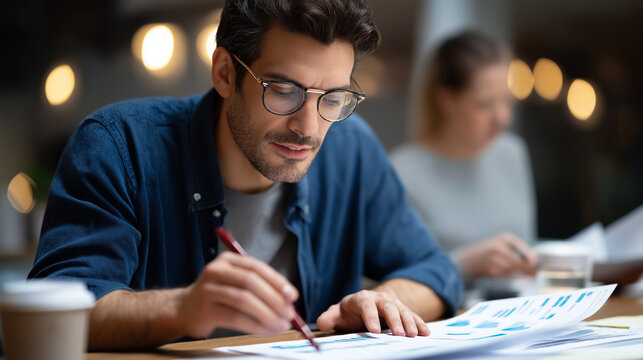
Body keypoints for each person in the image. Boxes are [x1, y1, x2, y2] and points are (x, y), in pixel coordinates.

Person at [29, 0, 462, 351]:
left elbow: (434, 270)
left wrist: (384, 301)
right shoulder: (118, 146)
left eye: (332, 98)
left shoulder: (352, 151)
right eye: (283, 91)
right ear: (224, 73)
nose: (308, 128)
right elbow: (56, 314)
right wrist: (183, 309)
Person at [391, 31, 538, 283]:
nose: (503, 117)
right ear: (447, 100)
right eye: (484, 105)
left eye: (507, 102)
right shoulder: (400, 172)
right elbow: (391, 277)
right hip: (446, 315)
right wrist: (466, 263)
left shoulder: (512, 153)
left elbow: (527, 247)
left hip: (522, 311)